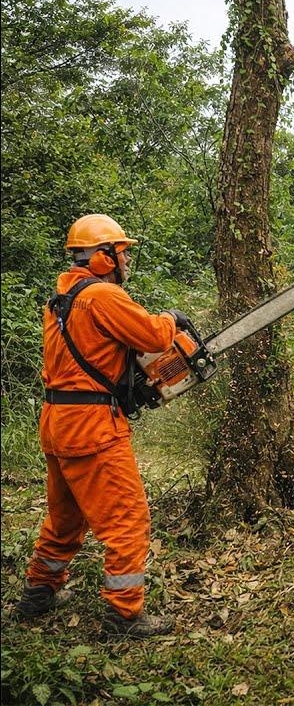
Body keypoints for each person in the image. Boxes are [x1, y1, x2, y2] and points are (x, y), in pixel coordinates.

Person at [15, 214, 188, 637]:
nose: (125, 261)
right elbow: (153, 337)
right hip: (92, 426)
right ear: (103, 257)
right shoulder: (102, 295)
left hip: (57, 422)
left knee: (66, 516)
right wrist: (170, 318)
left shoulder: (60, 299)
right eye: (121, 253)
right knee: (128, 519)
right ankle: (123, 614)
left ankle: (40, 591)